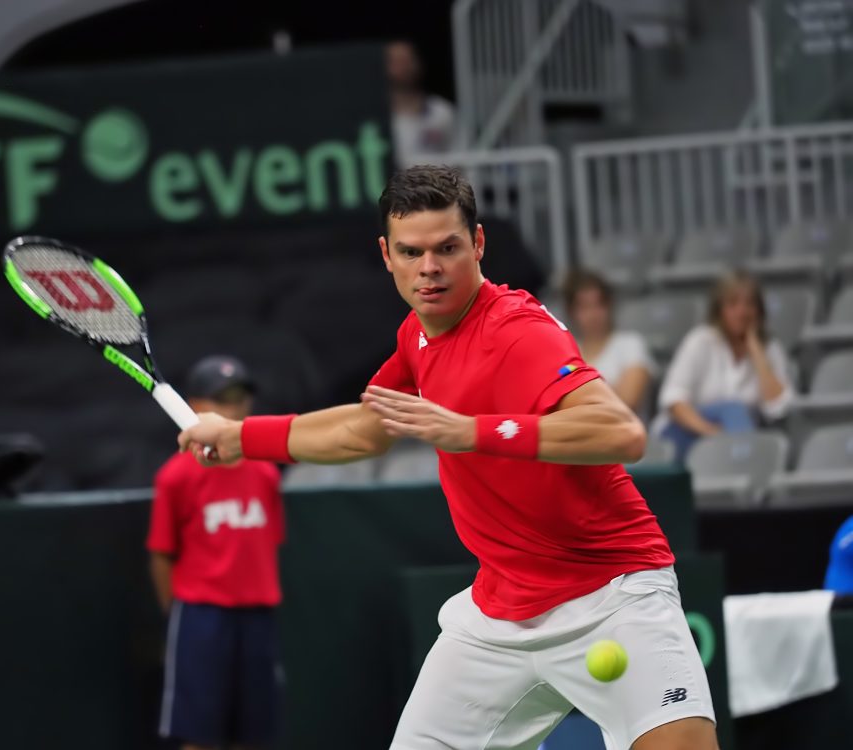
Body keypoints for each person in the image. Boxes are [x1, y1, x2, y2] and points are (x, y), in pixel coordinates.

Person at [180, 165, 718, 750]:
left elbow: (620, 431)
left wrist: (473, 431)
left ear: (478, 243)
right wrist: (240, 436)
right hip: (497, 615)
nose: (429, 269)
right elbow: (363, 432)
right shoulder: (416, 335)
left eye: (447, 249)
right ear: (386, 254)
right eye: (411, 252)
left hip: (612, 593)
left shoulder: (519, 330)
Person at [147, 355, 284, 750]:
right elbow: (161, 554)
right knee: (200, 732)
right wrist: (178, 617)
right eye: (222, 399)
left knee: (255, 731)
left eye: (241, 398)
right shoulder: (176, 476)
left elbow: (269, 542)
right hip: (201, 616)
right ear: (195, 406)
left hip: (257, 613)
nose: (234, 408)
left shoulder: (264, 471)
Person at [656, 269, 794, 462]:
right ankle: (745, 464)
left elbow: (778, 408)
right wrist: (712, 434)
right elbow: (674, 400)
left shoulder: (770, 348)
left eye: (749, 304)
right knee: (733, 410)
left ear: (759, 310)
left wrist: (756, 351)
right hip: (689, 432)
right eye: (733, 304)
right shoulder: (701, 340)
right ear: (719, 310)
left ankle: (742, 465)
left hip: (740, 437)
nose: (742, 312)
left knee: (738, 414)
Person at [562, 269, 656, 415]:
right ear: (572, 312)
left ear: (609, 306)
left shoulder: (631, 344)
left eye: (599, 305)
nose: (593, 314)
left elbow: (628, 401)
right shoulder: (566, 354)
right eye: (584, 307)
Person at [387, 40, 458, 167]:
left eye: (408, 60)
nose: (404, 67)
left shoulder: (442, 111)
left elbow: (462, 156)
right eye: (397, 62)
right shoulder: (377, 117)